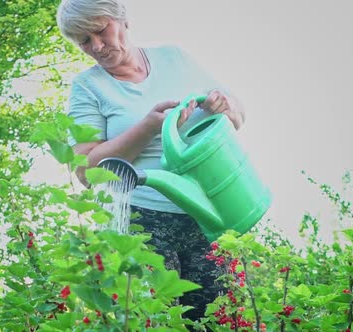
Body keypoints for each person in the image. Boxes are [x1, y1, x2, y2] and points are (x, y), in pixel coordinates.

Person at [56, 0, 246, 324]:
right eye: (85, 41)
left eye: (101, 30)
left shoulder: (175, 58)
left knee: (220, 321)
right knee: (154, 321)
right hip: (140, 222)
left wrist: (224, 105)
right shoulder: (87, 87)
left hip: (205, 213)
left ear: (122, 17)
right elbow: (87, 172)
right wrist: (147, 127)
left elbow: (238, 117)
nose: (97, 46)